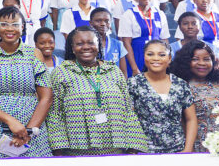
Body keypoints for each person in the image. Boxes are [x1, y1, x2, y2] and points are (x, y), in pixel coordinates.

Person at [45, 26, 149, 156]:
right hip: (76, 154)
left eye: (91, 43)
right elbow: (55, 114)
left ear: (99, 45)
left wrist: (133, 148)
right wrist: (58, 151)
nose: (86, 47)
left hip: (115, 150)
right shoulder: (61, 73)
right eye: (79, 43)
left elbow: (128, 110)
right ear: (72, 47)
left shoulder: (114, 71)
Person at [0, 6, 52, 158]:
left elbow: (46, 97)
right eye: (4, 24)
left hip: (31, 125)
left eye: (15, 24)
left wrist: (29, 131)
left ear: (23, 27)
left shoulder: (34, 54)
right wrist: (10, 121)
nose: (9, 29)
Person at [127, 40, 196, 154]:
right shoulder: (133, 83)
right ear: (144, 57)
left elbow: (191, 119)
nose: (156, 58)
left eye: (162, 55)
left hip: (177, 150)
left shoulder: (180, 84)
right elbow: (129, 120)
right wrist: (132, 149)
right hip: (144, 152)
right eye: (150, 54)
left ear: (169, 58)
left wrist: (187, 149)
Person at [170, 40, 219, 152]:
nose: (202, 63)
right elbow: (180, 122)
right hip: (199, 147)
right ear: (186, 61)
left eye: (206, 59)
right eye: (195, 59)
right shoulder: (180, 86)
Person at [117, 0, 169, 75]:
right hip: (137, 54)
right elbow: (126, 43)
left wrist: (167, 61)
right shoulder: (129, 14)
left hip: (157, 55)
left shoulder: (160, 14)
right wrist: (134, 68)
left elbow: (165, 40)